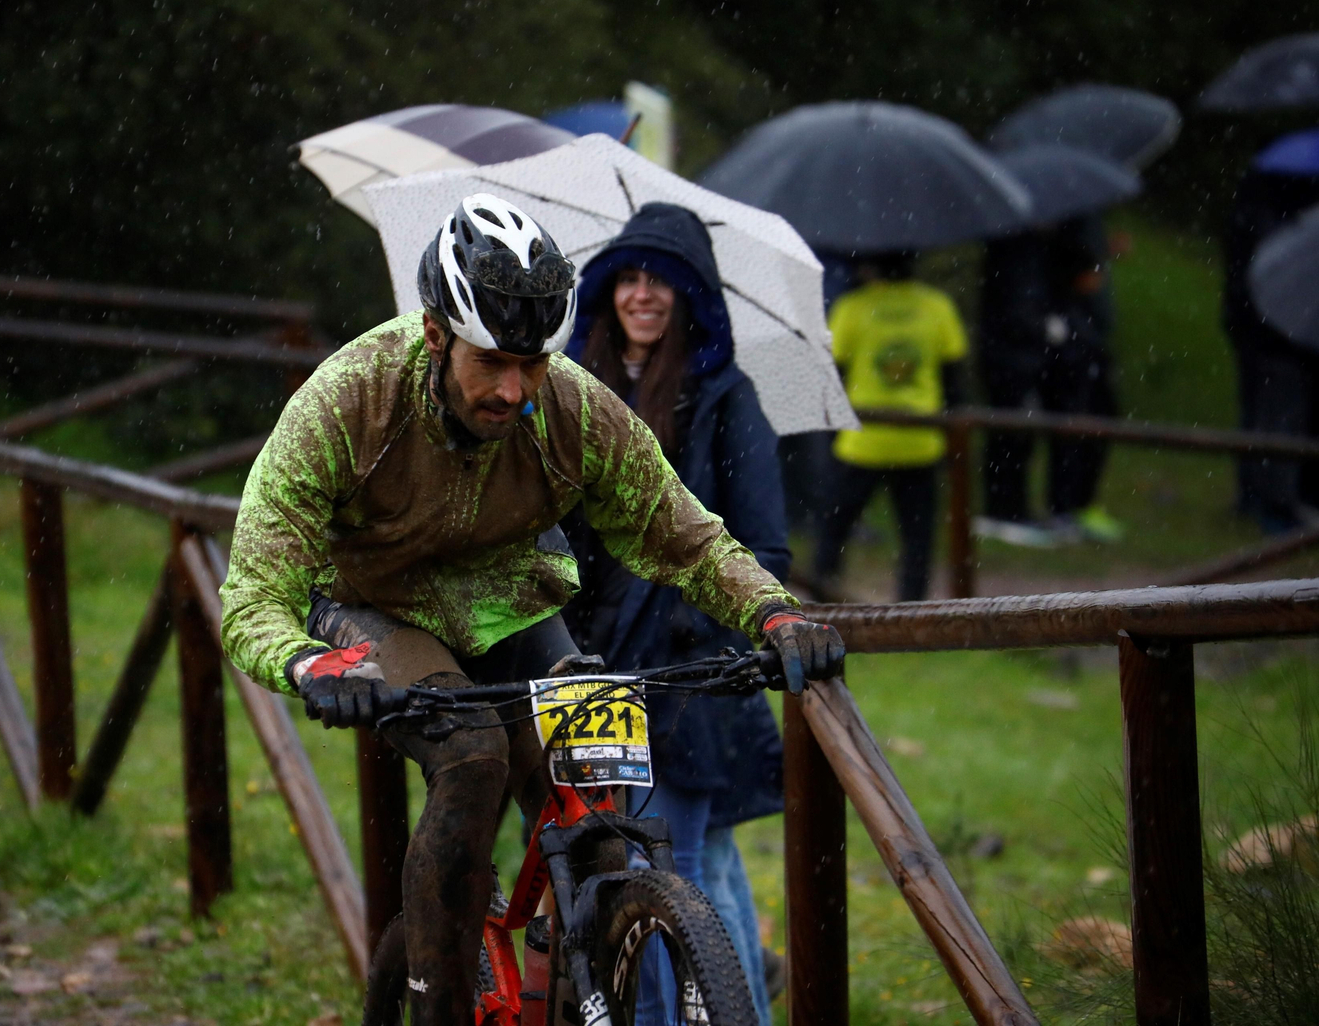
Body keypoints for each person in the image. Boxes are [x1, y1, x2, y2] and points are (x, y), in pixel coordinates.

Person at [219, 193, 845, 1026]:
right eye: (494, 363)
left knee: (599, 784)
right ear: (437, 334)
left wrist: (776, 615)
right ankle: (438, 1000)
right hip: (377, 609)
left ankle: (586, 967)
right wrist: (308, 664)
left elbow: (683, 534)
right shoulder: (349, 401)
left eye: (536, 363)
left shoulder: (572, 406)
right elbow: (254, 594)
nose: (516, 390)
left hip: (513, 604)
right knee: (473, 754)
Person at [562, 202, 787, 1025]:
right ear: (608, 290)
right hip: (590, 672)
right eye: (630, 276)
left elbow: (767, 548)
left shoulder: (724, 398)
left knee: (663, 881)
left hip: (683, 681)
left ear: (690, 294)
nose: (643, 294)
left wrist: (703, 634)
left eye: (661, 279)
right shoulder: (572, 392)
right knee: (692, 872)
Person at [813, 252, 967, 602]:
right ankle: (911, 610)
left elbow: (831, 374)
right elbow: (954, 378)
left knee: (834, 527)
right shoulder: (937, 306)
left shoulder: (852, 306)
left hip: (862, 440)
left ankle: (820, 600)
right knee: (918, 536)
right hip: (920, 440)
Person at [975, 215, 1125, 546]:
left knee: (1029, 433)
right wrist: (1045, 326)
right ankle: (1003, 512)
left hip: (1030, 354)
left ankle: (1026, 509)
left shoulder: (1046, 244)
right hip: (1012, 356)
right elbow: (1015, 304)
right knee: (1011, 434)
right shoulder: (1015, 247)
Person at [1221, 161, 1319, 532]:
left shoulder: (1269, 214)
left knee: (1268, 418)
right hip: (1274, 336)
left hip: (1269, 332)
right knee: (1277, 420)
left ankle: (1264, 498)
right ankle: (1272, 505)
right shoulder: (1276, 223)